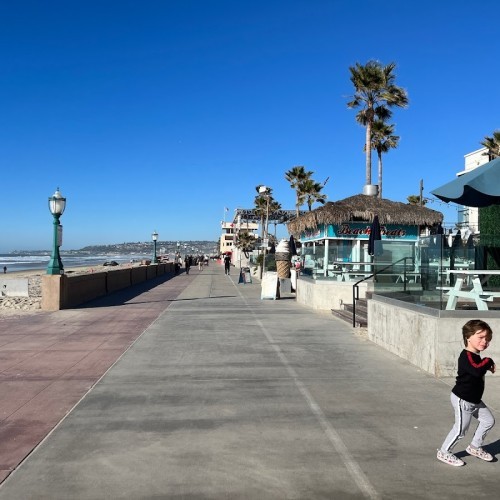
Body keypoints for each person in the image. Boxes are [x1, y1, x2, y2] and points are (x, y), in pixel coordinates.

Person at [437, 319, 496, 466]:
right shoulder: (466, 356)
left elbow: (477, 368)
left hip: (474, 400)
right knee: (460, 430)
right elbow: (476, 370)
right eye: (480, 337)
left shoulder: (476, 357)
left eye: (487, 338)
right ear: (468, 337)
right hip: (463, 399)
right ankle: (444, 452)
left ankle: (474, 447)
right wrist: (488, 361)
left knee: (488, 421)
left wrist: (486, 364)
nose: (485, 341)